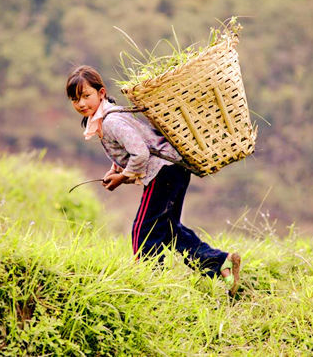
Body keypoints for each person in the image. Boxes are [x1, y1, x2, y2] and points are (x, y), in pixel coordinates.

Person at [65, 65, 241, 296]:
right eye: (75, 99)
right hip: (173, 170)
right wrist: (115, 168)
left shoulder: (110, 121)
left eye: (86, 96)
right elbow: (131, 148)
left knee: (143, 229)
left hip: (163, 172)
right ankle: (220, 263)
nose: (81, 104)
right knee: (167, 229)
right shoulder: (105, 118)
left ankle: (148, 283)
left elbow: (141, 153)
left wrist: (124, 176)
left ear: (101, 92)